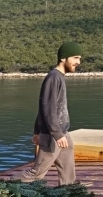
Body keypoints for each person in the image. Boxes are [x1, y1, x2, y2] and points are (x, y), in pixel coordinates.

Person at [21, 41, 82, 185]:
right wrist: (56, 133)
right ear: (63, 58)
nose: (78, 62)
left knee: (68, 170)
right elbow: (48, 108)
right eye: (75, 58)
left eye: (79, 58)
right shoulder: (53, 78)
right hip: (53, 135)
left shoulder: (59, 77)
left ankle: (69, 194)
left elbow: (44, 108)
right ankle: (10, 188)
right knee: (36, 173)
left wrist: (37, 131)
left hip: (61, 132)